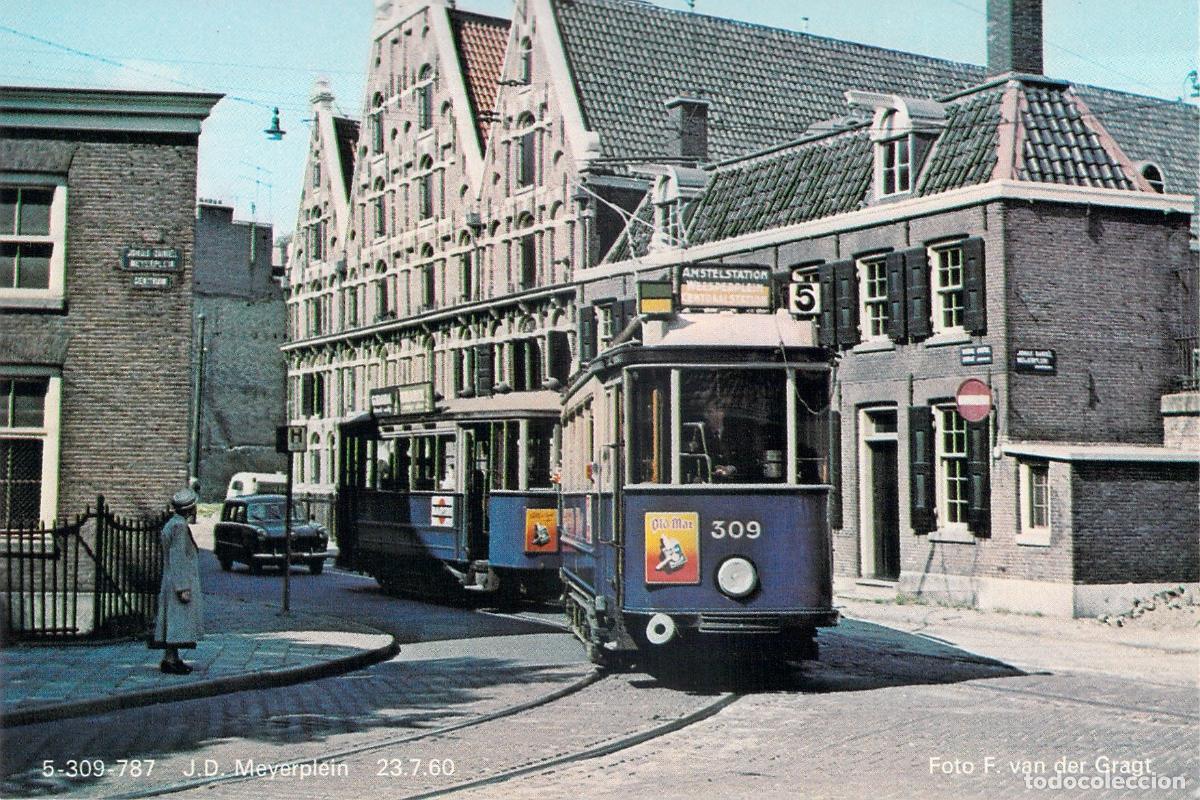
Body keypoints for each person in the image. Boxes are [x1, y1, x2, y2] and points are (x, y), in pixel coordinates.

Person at [149, 488, 203, 674]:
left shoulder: (172, 524)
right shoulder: (179, 527)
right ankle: (171, 660)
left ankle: (172, 657)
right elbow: (178, 556)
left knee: (173, 622)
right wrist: (183, 587)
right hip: (178, 582)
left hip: (170, 579)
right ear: (190, 509)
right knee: (177, 622)